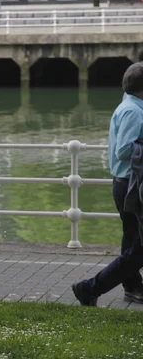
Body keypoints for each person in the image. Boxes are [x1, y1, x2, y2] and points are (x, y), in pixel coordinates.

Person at [72, 63, 143, 306]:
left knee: (134, 240)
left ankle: (132, 287)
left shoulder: (131, 106)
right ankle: (90, 288)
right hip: (132, 185)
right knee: (138, 247)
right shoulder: (134, 111)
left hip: (126, 183)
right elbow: (124, 150)